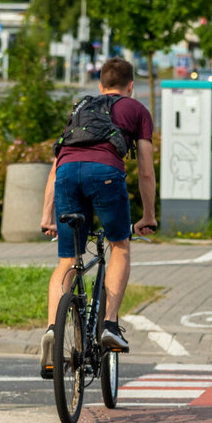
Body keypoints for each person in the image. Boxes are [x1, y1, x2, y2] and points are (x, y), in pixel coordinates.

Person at [39, 57, 157, 378]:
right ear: (130, 86)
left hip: (65, 176)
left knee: (67, 260)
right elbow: (145, 170)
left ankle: (52, 330)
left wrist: (47, 216)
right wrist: (149, 215)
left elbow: (56, 165)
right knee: (120, 246)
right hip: (105, 174)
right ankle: (109, 325)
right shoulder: (136, 110)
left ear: (100, 86)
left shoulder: (80, 109)